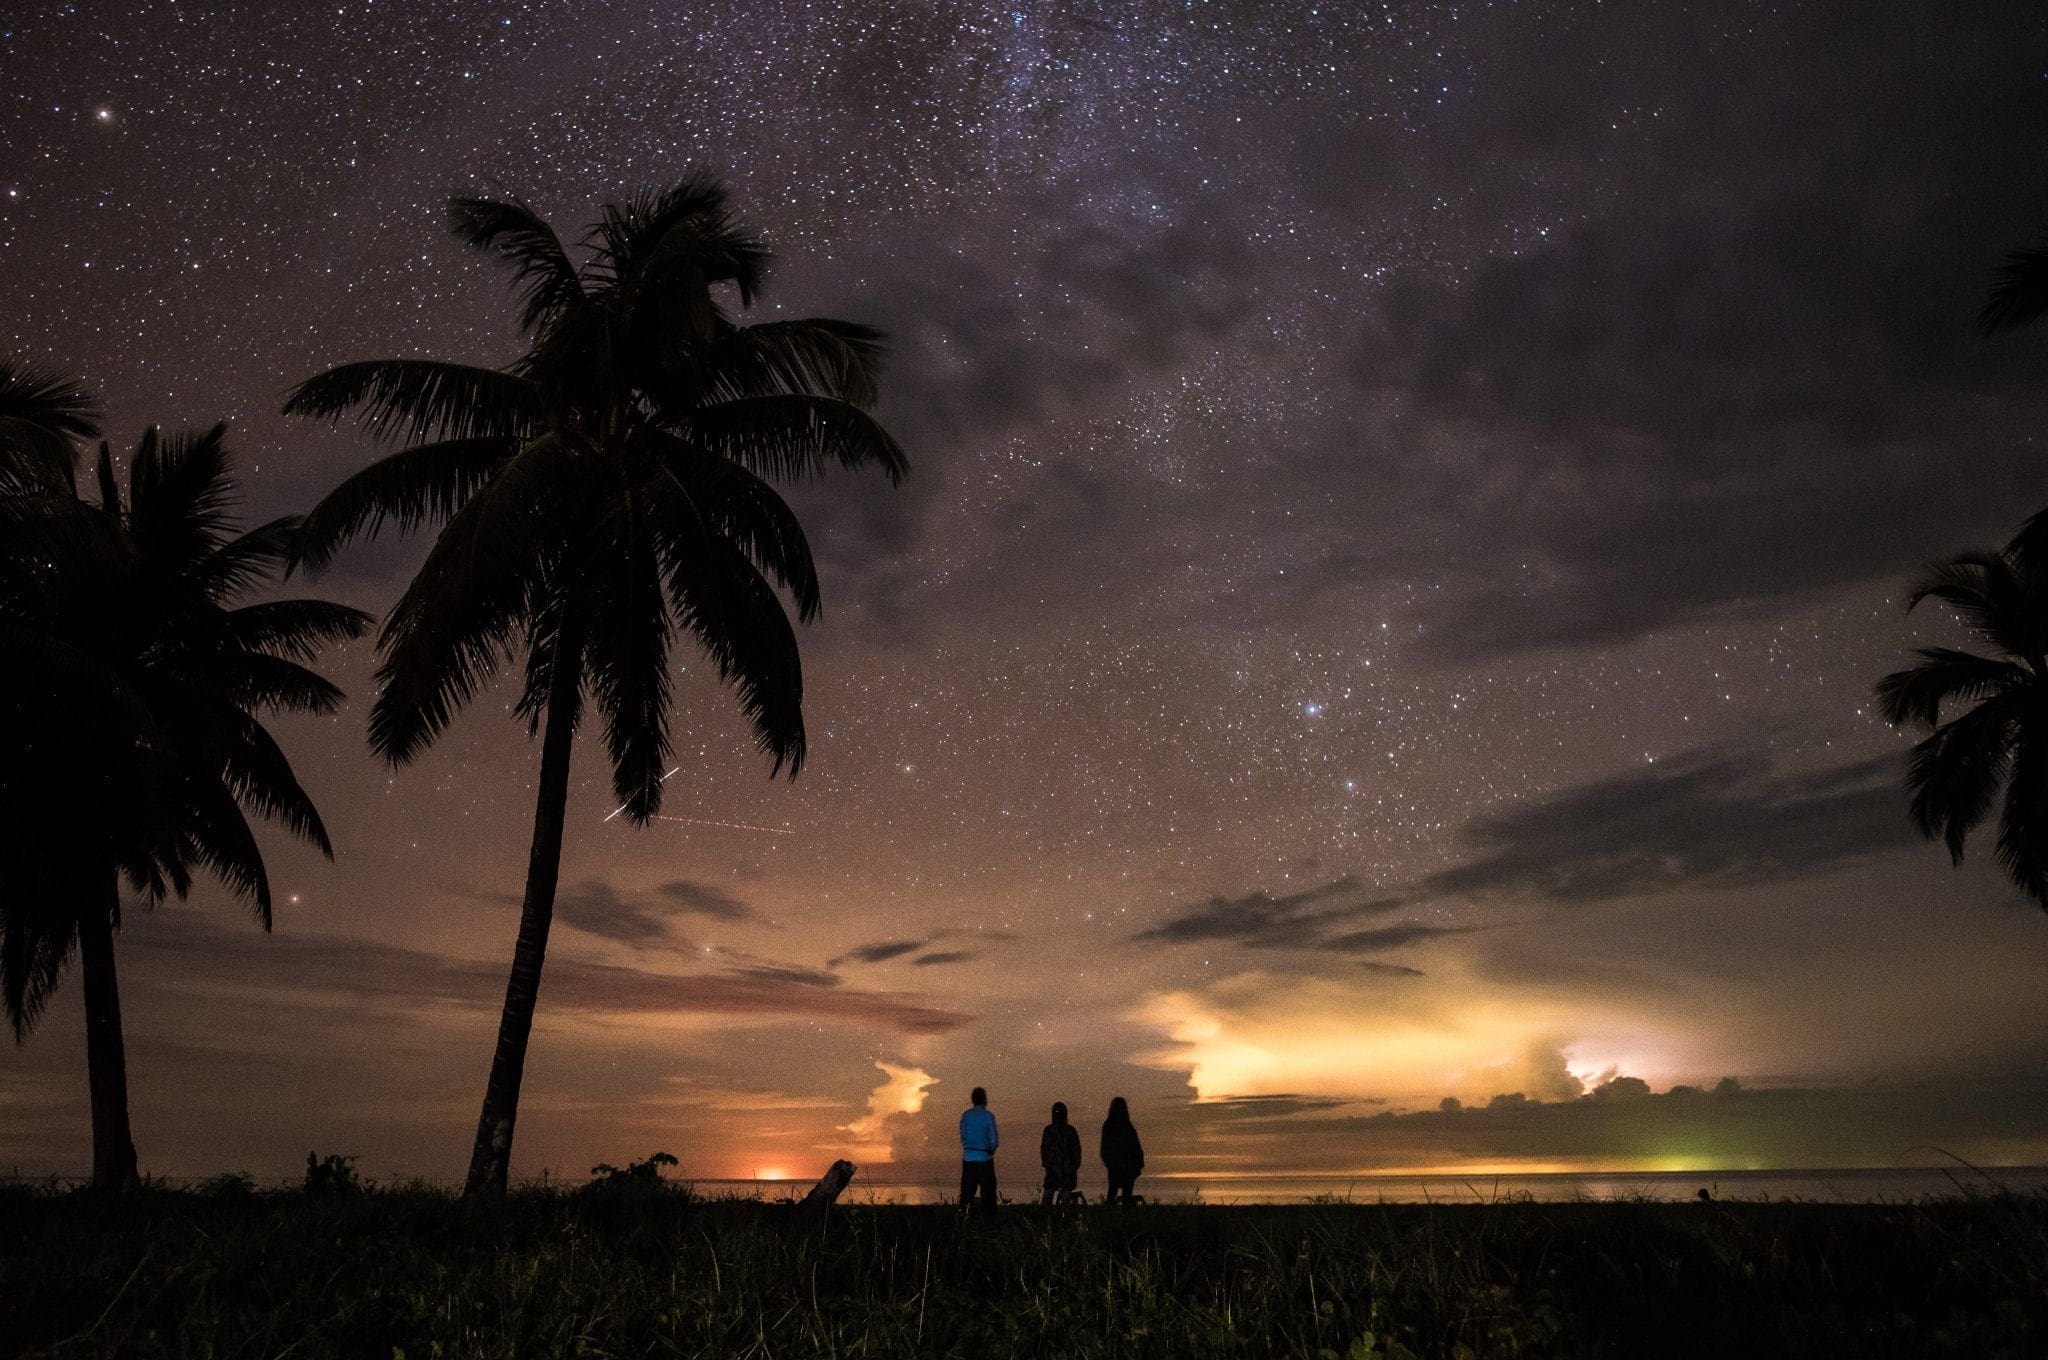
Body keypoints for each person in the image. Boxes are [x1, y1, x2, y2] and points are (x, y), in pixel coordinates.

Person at [959, 1085, 999, 1211]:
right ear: (984, 1099)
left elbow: (963, 1136)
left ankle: (964, 1219)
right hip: (984, 1158)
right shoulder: (988, 1116)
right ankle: (989, 1223)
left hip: (968, 1158)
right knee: (988, 1194)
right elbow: (994, 1139)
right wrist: (990, 1150)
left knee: (966, 1194)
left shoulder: (966, 1115)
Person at [1100, 1095, 1144, 1205]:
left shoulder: (1122, 1125)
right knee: (1117, 1191)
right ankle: (1116, 1214)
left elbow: (1135, 1145)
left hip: (1124, 1165)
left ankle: (1111, 1214)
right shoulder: (1119, 1125)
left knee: (1119, 1191)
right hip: (1118, 1165)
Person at [1040, 1101, 1082, 1205]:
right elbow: (1077, 1150)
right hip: (1059, 1168)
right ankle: (1058, 1214)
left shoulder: (1051, 1130)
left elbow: (1044, 1149)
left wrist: (1046, 1163)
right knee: (1054, 1192)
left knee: (1057, 1192)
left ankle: (1046, 1214)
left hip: (1062, 1168)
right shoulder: (1068, 1131)